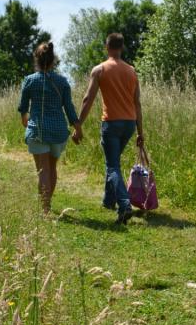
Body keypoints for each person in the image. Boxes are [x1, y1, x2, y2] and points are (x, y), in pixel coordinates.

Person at [73, 33, 143, 224]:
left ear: (107, 47)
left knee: (112, 165)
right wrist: (140, 132)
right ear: (121, 48)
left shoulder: (100, 70)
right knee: (113, 162)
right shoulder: (131, 71)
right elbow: (137, 103)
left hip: (111, 123)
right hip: (129, 123)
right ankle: (108, 201)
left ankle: (124, 204)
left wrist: (78, 124)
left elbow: (88, 99)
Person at [18, 42, 82, 214]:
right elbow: (69, 107)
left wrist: (24, 119)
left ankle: (45, 209)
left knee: (43, 170)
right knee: (52, 168)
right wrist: (78, 127)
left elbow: (23, 107)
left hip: (38, 130)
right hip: (58, 131)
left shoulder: (30, 81)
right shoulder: (62, 82)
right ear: (53, 60)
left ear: (36, 60)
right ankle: (47, 204)